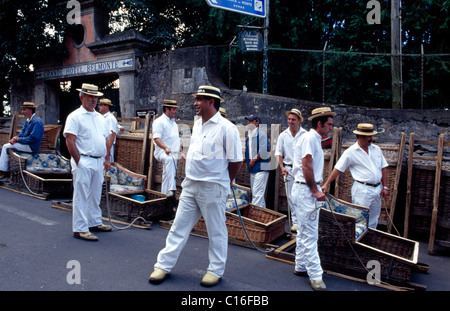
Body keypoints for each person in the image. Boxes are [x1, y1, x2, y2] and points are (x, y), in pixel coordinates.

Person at [149, 85, 243, 287]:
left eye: (199, 99)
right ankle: (163, 266)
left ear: (211, 102)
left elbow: (236, 161)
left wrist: (226, 181)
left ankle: (215, 270)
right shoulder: (198, 124)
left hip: (213, 187)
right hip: (191, 185)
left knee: (216, 231)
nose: (195, 103)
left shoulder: (227, 128)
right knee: (178, 227)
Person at [291, 106, 335, 291]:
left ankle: (301, 265)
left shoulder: (313, 138)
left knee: (303, 230)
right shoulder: (310, 138)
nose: (331, 127)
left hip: (303, 189)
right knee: (310, 233)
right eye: (329, 124)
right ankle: (315, 275)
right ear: (320, 124)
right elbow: (306, 165)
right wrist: (315, 190)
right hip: (305, 190)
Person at [63, 83, 112, 242]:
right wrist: (79, 161)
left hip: (98, 161)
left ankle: (94, 222)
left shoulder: (99, 117)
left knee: (95, 193)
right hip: (83, 159)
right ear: (81, 97)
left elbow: (105, 139)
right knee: (81, 195)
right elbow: (70, 141)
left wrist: (106, 158)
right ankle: (80, 228)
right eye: (90, 96)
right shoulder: (74, 116)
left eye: (95, 97)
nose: (93, 100)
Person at [321, 123, 389, 229]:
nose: (371, 139)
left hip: (377, 189)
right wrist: (326, 184)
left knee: (374, 218)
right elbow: (338, 169)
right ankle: (359, 241)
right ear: (361, 136)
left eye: (371, 136)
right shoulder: (350, 152)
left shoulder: (376, 149)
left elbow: (383, 167)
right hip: (362, 190)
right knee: (360, 218)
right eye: (369, 136)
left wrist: (385, 186)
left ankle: (369, 240)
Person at [275, 108, 306, 232]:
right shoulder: (283, 135)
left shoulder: (305, 135)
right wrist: (282, 167)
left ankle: (302, 221)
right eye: (289, 119)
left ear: (299, 120)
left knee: (301, 195)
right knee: (290, 197)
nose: (290, 121)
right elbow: (278, 153)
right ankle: (295, 222)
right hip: (287, 169)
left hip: (301, 170)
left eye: (293, 119)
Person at [0, 102, 44, 179]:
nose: (22, 112)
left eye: (24, 110)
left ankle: (3, 171)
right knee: (8, 145)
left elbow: (33, 138)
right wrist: (14, 139)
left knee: (5, 147)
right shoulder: (27, 121)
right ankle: (5, 169)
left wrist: (19, 140)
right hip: (26, 144)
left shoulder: (36, 121)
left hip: (31, 146)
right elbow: (22, 133)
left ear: (30, 110)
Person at [152, 100, 181, 196]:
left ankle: (163, 197)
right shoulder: (159, 122)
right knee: (170, 159)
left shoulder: (174, 124)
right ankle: (172, 190)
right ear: (167, 109)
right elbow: (156, 138)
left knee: (166, 175)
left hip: (172, 153)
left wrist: (179, 147)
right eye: (173, 109)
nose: (175, 111)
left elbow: (175, 139)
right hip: (161, 152)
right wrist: (165, 148)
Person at [245, 114, 270, 208]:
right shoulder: (249, 136)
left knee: (257, 193)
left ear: (257, 123)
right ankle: (262, 215)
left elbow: (264, 150)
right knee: (257, 192)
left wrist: (253, 161)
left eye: (251, 121)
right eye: (248, 121)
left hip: (261, 167)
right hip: (253, 168)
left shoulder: (261, 134)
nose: (248, 123)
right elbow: (248, 151)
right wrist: (245, 159)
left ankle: (254, 215)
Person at [97, 98, 124, 162]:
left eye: (101, 105)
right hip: (101, 145)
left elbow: (112, 134)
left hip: (107, 146)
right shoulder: (101, 117)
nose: (99, 107)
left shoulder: (110, 118)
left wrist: (108, 149)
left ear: (106, 106)